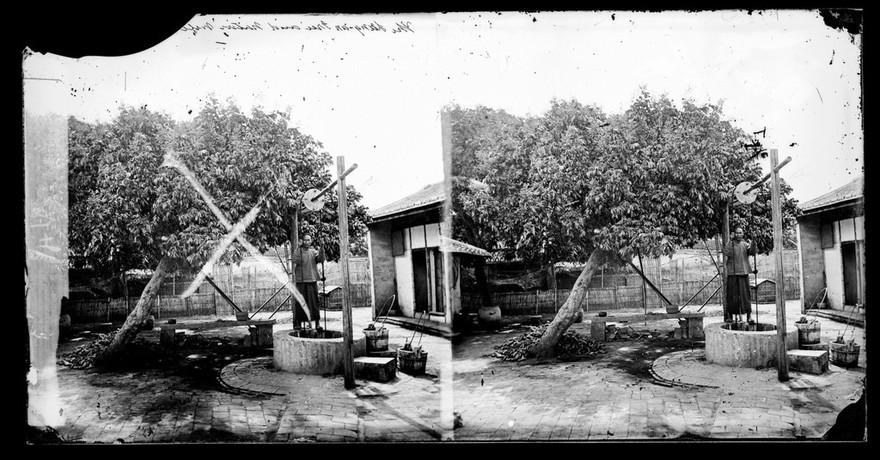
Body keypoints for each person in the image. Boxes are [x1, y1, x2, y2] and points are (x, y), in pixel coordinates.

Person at [723, 227, 758, 323]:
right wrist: (730, 241)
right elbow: (726, 252)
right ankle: (730, 316)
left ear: (743, 234)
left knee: (745, 295)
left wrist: (754, 241)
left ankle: (749, 316)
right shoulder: (730, 244)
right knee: (731, 295)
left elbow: (753, 252)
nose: (738, 235)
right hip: (732, 273)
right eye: (737, 233)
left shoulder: (745, 244)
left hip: (743, 272)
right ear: (734, 234)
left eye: (740, 233)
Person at [292, 234, 325, 329]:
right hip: (301, 281)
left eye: (309, 240)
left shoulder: (314, 252)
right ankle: (298, 323)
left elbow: (321, 259)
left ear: (311, 241)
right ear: (302, 241)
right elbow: (295, 259)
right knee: (300, 302)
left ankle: (317, 324)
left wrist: (322, 248)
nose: (307, 242)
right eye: (305, 240)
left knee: (314, 302)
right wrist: (298, 248)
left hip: (312, 280)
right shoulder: (299, 251)